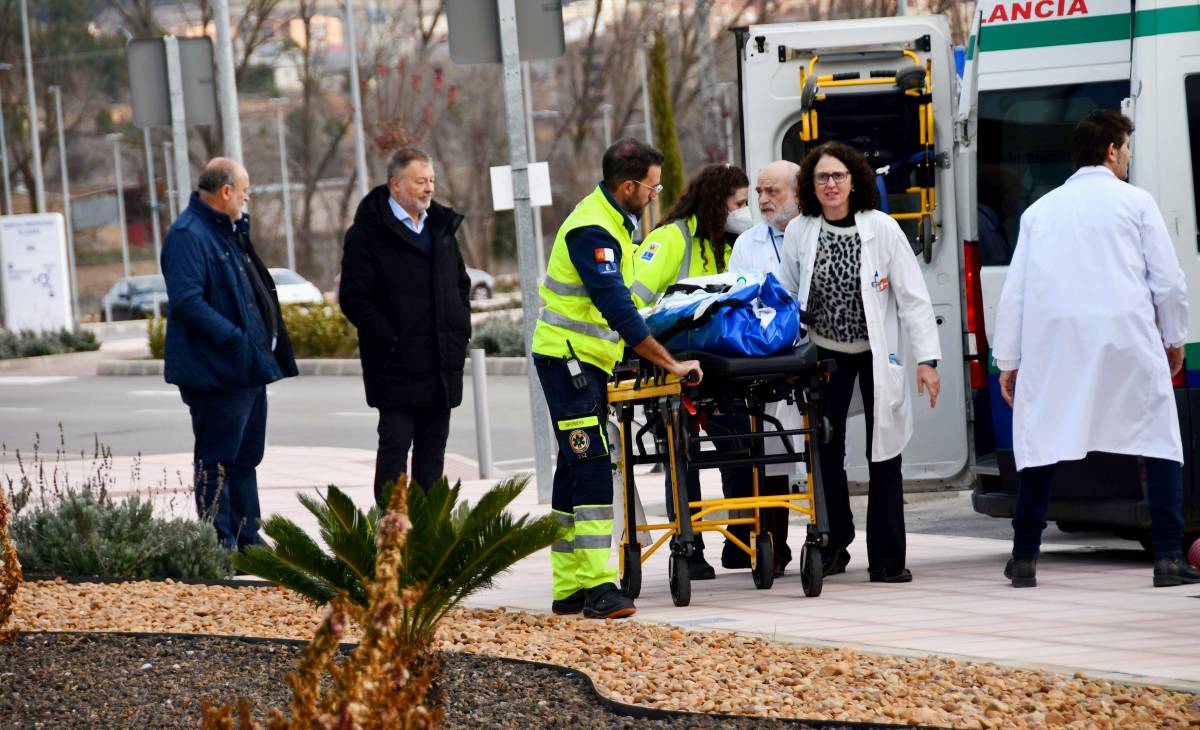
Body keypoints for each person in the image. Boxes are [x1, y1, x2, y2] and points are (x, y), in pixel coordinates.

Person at [993, 109, 1200, 588]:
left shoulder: (1038, 211)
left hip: (1055, 344)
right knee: (1158, 439)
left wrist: (1010, 361)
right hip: (1126, 338)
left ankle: (1024, 556)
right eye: (1126, 148)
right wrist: (1174, 338)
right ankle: (1168, 557)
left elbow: (1016, 292)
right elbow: (1168, 283)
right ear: (1111, 150)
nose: (1128, 157)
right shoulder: (1137, 203)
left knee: (1042, 440)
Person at [534, 138, 703, 620]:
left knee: (572, 470)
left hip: (580, 362)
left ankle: (569, 588)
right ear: (628, 185)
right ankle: (598, 587)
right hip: (570, 364)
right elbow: (618, 310)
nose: (656, 194)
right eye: (652, 186)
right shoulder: (593, 230)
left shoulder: (613, 222)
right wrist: (670, 363)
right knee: (589, 468)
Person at [778, 141, 941, 583]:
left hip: (876, 352)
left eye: (839, 176)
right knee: (825, 450)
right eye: (822, 178)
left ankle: (888, 558)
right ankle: (833, 544)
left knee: (884, 452)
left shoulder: (882, 229)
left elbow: (913, 299)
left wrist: (927, 360)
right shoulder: (801, 231)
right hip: (824, 352)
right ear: (810, 186)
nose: (831, 185)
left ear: (855, 181)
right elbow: (787, 293)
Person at [161, 157, 298, 551]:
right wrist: (236, 340)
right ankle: (218, 543)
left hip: (247, 369)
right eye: (245, 190)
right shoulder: (189, 235)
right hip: (217, 372)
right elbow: (187, 302)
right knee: (217, 462)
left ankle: (247, 538)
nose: (247, 197)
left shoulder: (227, 232)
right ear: (225, 192)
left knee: (246, 458)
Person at [629, 163, 755, 578]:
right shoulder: (670, 240)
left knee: (738, 447)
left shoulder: (736, 241)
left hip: (722, 364)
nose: (744, 211)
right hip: (673, 364)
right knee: (682, 454)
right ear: (717, 202)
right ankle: (691, 546)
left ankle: (739, 542)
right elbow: (636, 304)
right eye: (738, 203)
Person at [338, 147, 472, 506]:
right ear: (396, 184)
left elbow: (461, 284)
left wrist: (460, 328)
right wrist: (390, 338)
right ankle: (393, 538)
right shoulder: (366, 235)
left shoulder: (441, 229)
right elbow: (354, 299)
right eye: (420, 182)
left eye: (431, 181)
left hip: (440, 363)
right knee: (395, 449)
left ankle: (427, 538)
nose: (428, 189)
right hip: (395, 367)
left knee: (433, 453)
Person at [728, 159, 804, 575]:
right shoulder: (748, 244)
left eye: (772, 191)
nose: (762, 200)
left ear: (796, 191)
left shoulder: (811, 231)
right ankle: (774, 545)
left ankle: (832, 539)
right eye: (759, 192)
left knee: (823, 452)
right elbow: (740, 301)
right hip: (764, 359)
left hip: (808, 356)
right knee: (771, 454)